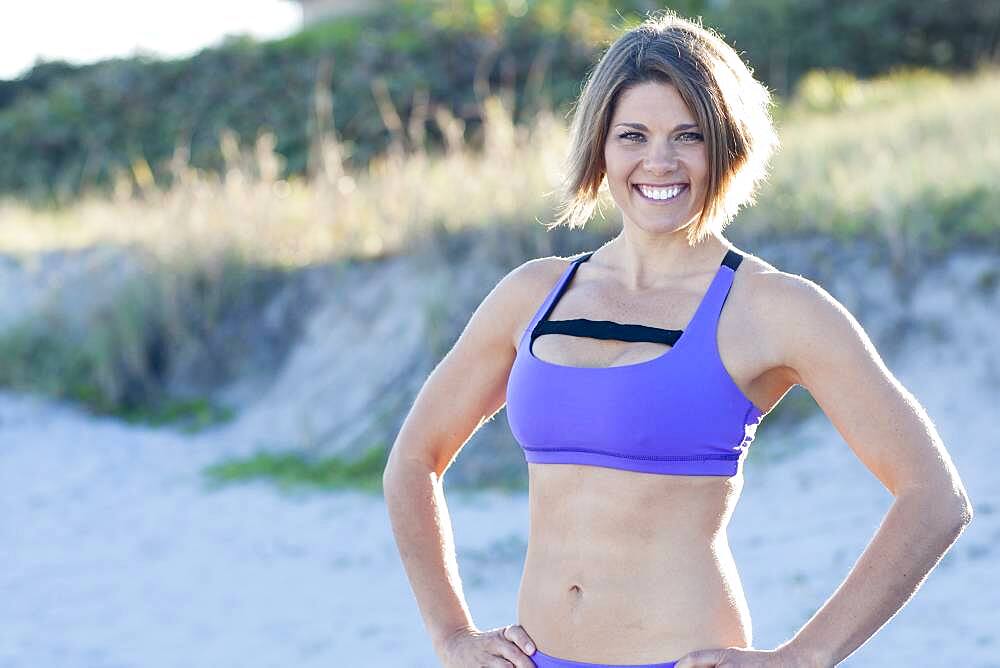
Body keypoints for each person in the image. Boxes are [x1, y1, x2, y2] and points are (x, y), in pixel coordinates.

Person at [383, 10, 974, 668]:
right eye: (632, 135)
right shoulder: (534, 295)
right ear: (600, 146)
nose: (657, 161)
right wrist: (451, 635)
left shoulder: (772, 308)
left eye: (687, 136)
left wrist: (805, 656)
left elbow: (934, 497)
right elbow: (413, 460)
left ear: (726, 145)